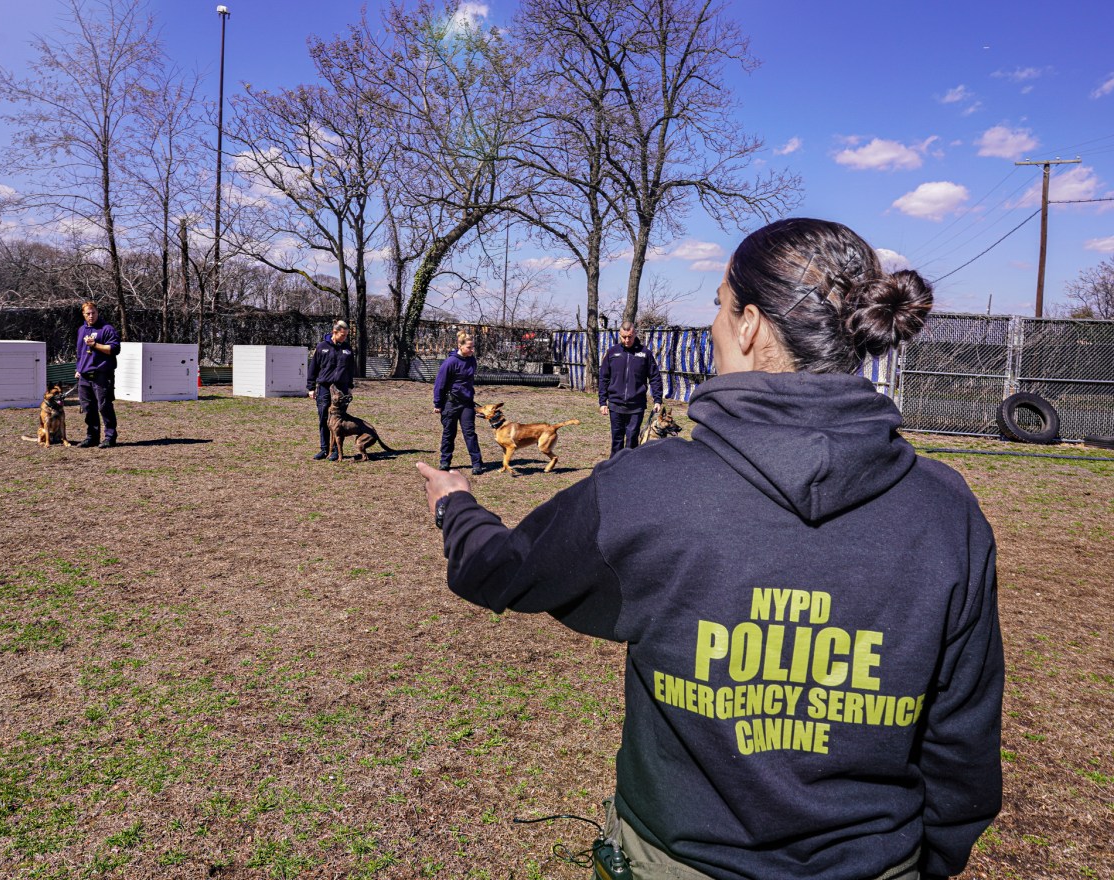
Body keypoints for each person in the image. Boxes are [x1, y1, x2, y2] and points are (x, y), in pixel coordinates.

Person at [417, 218, 1003, 880]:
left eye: (720, 306)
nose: (715, 324)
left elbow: (499, 571)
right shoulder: (945, 509)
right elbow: (963, 741)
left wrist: (455, 504)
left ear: (749, 326)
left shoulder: (645, 489)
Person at [598, 321, 664, 456]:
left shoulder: (645, 354)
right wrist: (602, 402)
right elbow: (604, 378)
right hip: (615, 404)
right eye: (624, 337)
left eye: (630, 337)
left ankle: (630, 466)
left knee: (632, 439)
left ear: (634, 334)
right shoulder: (612, 353)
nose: (627, 340)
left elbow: (655, 377)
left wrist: (657, 399)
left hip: (636, 406)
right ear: (619, 335)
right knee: (617, 439)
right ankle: (615, 466)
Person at [433, 331, 484, 475]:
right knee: (449, 433)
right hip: (451, 403)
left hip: (467, 403)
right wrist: (437, 404)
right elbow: (439, 384)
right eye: (469, 347)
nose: (472, 350)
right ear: (460, 346)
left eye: (473, 347)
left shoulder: (471, 360)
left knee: (470, 433)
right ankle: (445, 461)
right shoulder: (450, 362)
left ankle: (477, 463)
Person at [73, 301, 121, 448]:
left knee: (104, 407)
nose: (91, 316)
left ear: (97, 312)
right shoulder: (81, 330)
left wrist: (95, 345)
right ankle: (92, 437)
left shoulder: (106, 329)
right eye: (88, 313)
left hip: (102, 374)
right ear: (83, 314)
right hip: (84, 375)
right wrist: (78, 369)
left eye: (93, 312)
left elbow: (114, 349)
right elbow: (80, 352)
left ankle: (110, 437)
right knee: (88, 408)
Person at [307, 320, 355, 460]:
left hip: (341, 389)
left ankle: (335, 450)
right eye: (342, 335)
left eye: (346, 335)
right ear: (335, 332)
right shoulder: (321, 347)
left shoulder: (347, 349)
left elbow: (351, 369)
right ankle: (324, 449)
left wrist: (350, 386)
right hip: (324, 388)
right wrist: (311, 387)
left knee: (338, 421)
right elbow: (313, 368)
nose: (344, 338)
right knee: (323, 418)